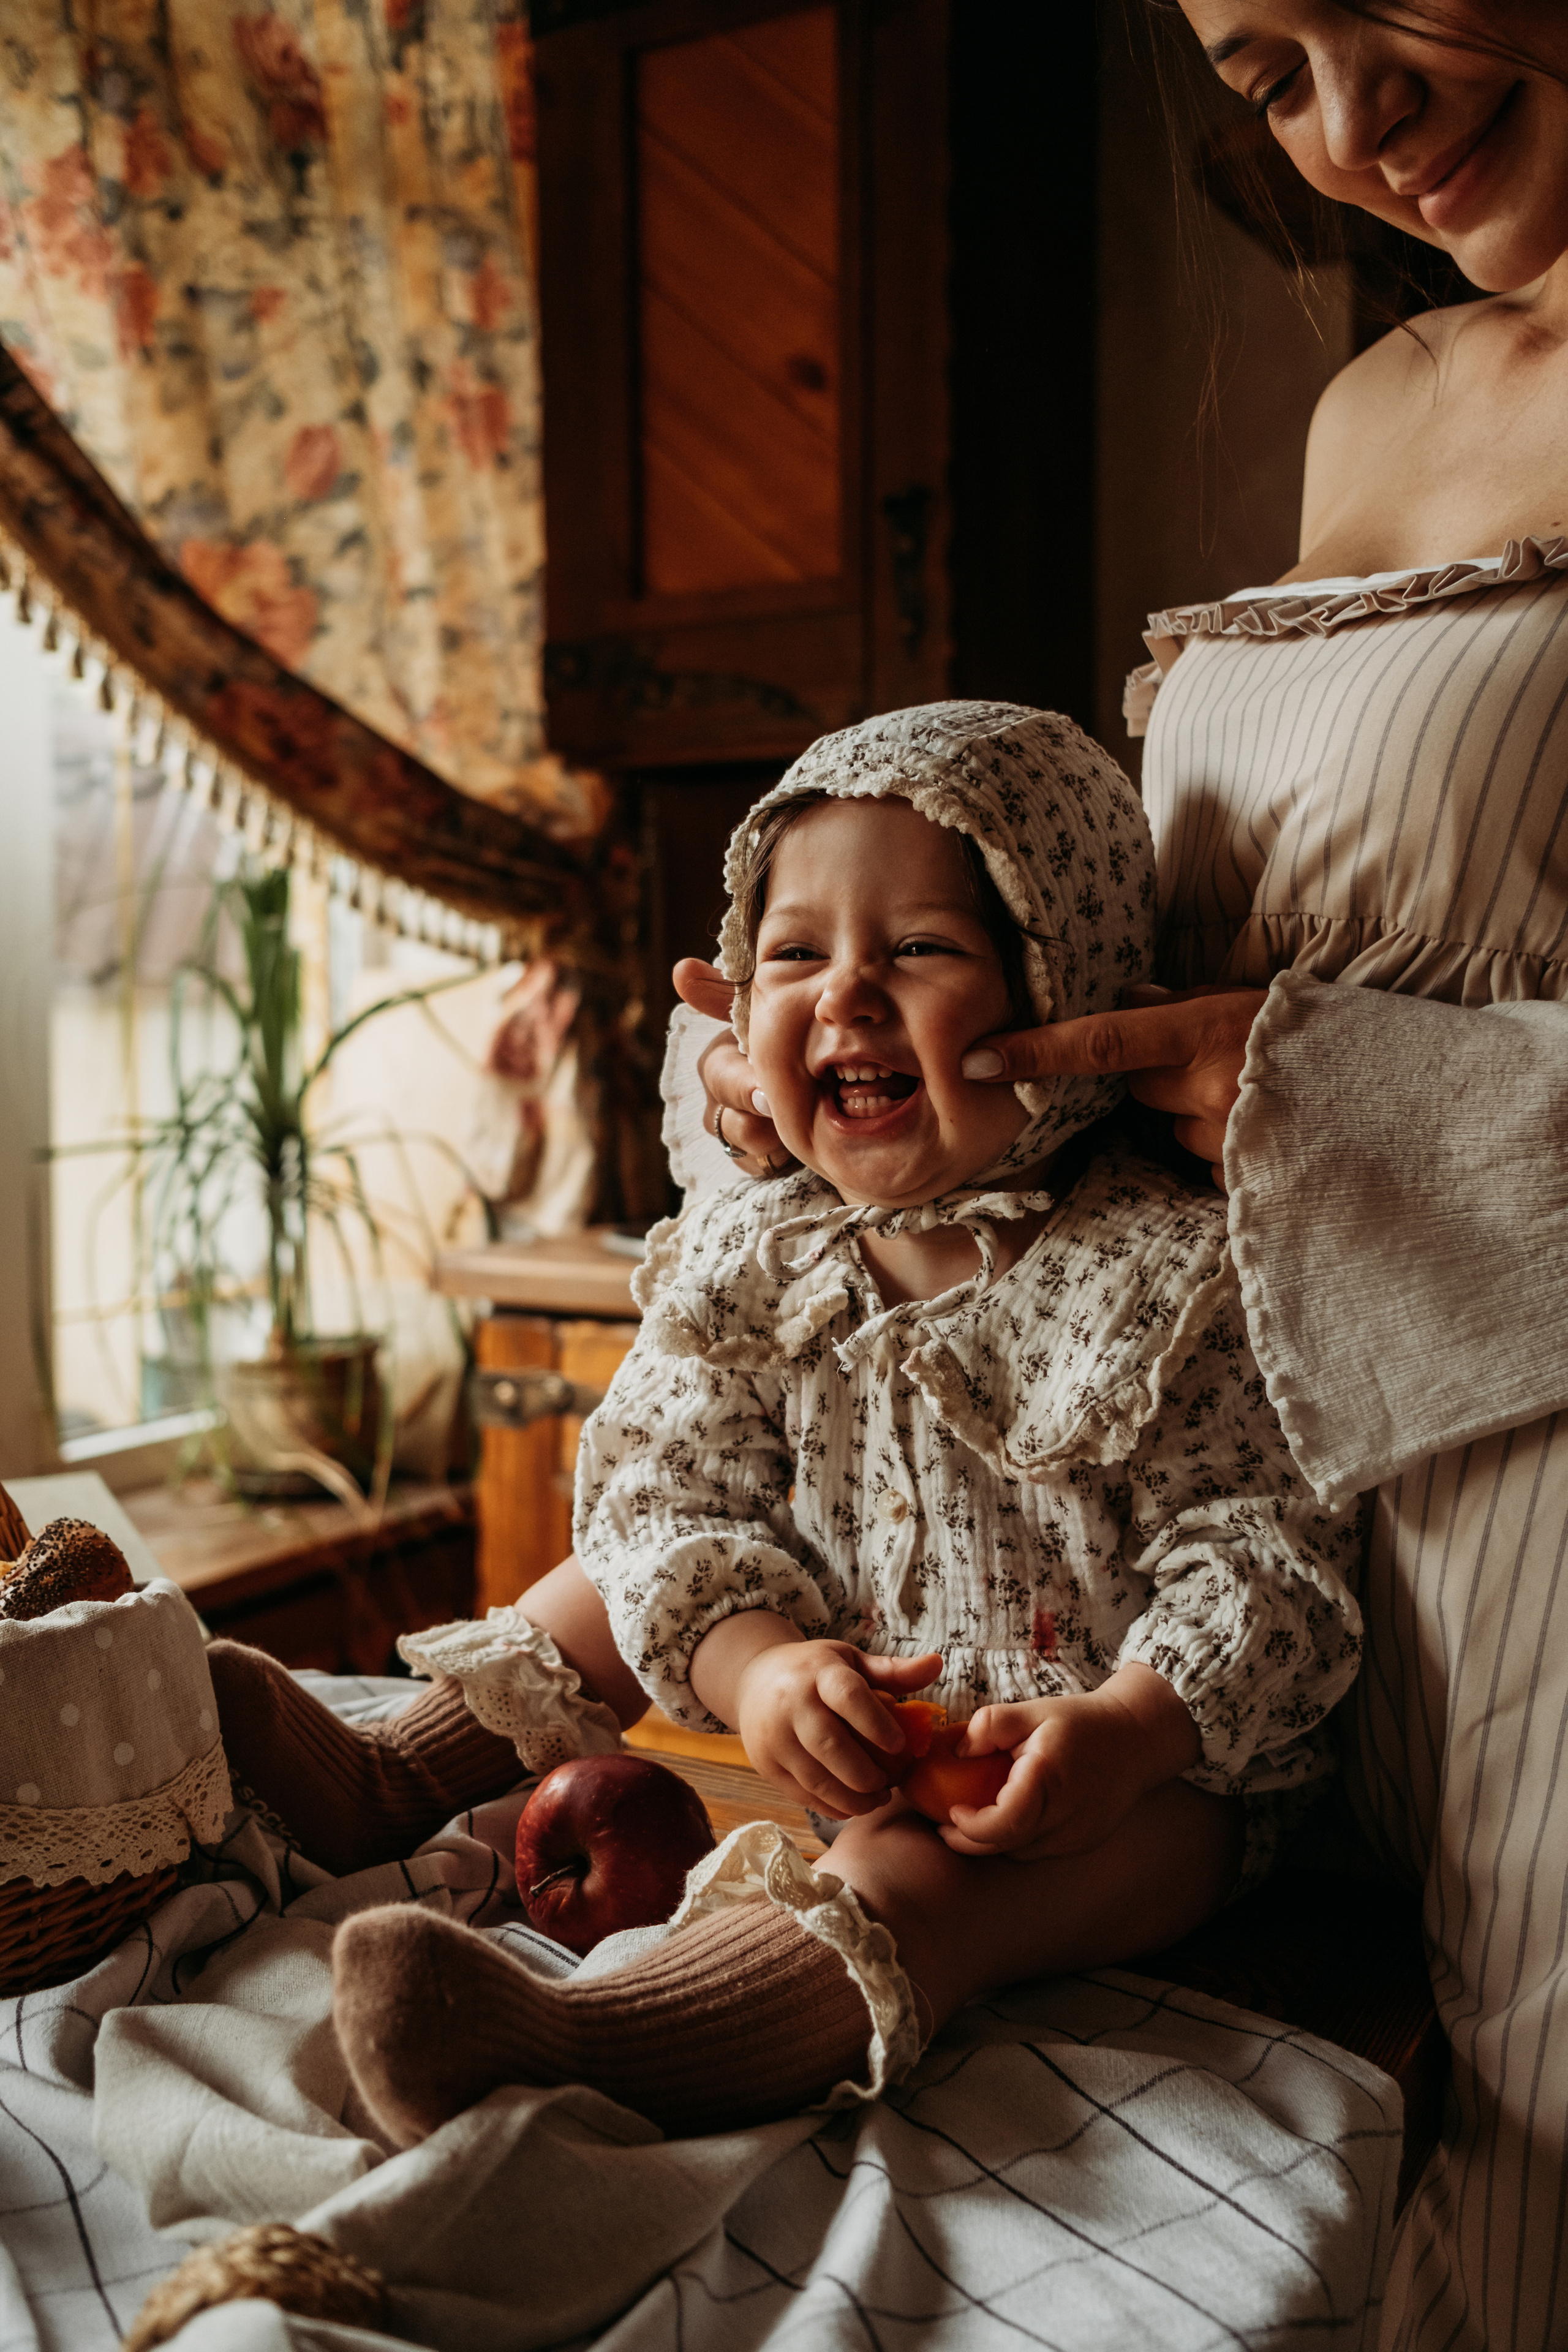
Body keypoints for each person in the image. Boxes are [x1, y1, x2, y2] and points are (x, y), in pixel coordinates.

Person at [673, 12, 1568, 2350]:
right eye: (1267, 68)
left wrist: (1352, 1091)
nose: (1355, 133)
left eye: (1401, 11)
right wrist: (838, 1086)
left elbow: (1326, 1031)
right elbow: (1186, 964)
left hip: (1542, 1484)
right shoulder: (1374, 401)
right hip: (1270, 1460)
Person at [293, 701, 1360, 2150]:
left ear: (1064, 987)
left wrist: (1127, 1727)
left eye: (917, 950)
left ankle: (623, 2039)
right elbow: (664, 1505)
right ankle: (384, 1772)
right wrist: (754, 1668)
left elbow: (1265, 1559)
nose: (844, 998)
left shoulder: (1168, 1272)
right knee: (615, 1558)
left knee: (920, 1877)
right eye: (792, 955)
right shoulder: (757, 1249)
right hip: (844, 1705)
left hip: (1126, 1793)